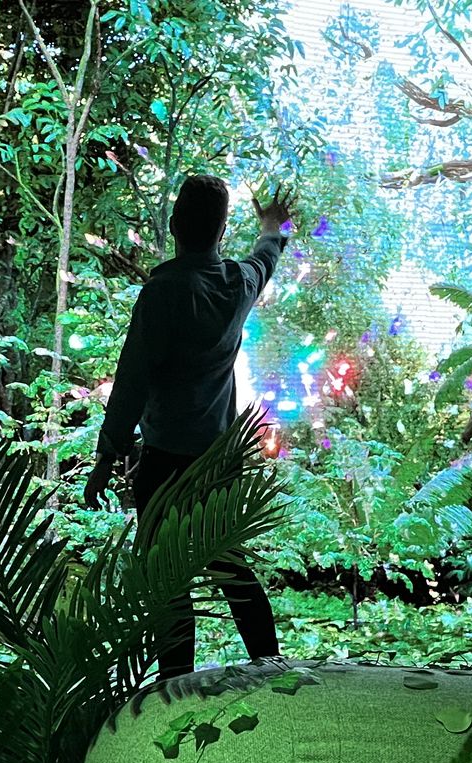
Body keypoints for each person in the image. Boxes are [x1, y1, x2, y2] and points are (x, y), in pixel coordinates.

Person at [81, 173, 297, 679]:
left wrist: (106, 458)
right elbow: (267, 256)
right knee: (232, 568)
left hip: (165, 464)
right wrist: (274, 226)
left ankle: (172, 688)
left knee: (167, 581)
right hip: (218, 464)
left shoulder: (163, 293)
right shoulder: (237, 285)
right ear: (222, 232)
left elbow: (132, 380)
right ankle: (271, 666)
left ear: (174, 224)